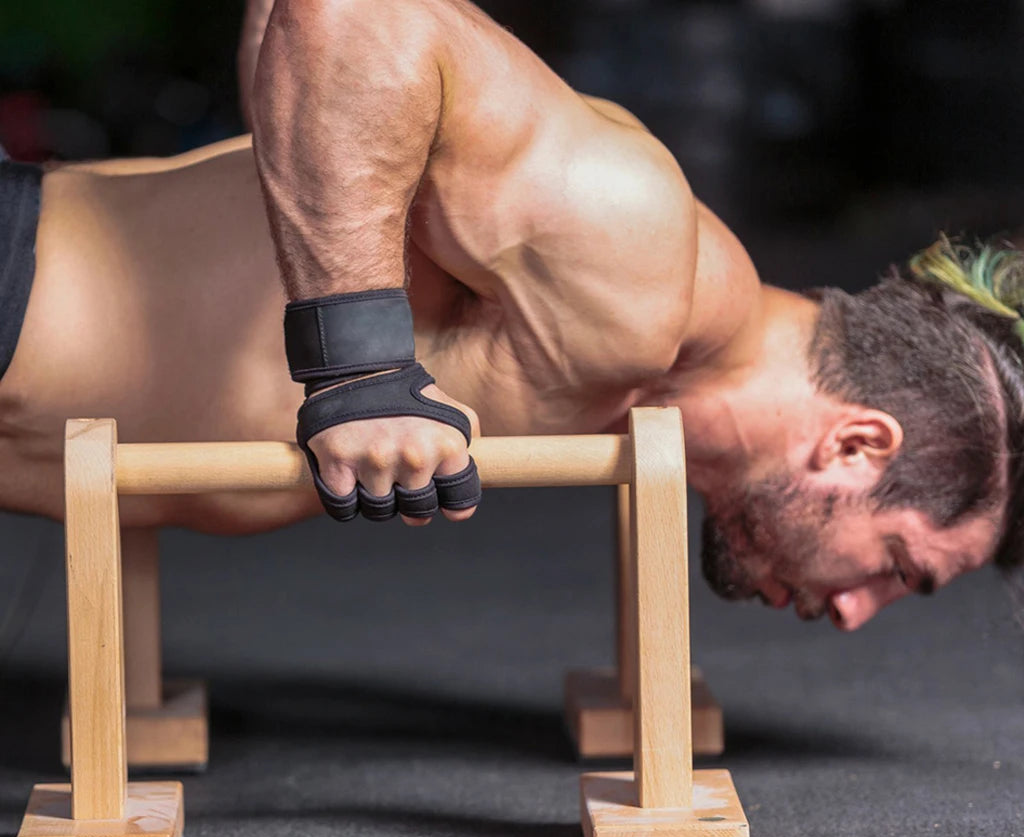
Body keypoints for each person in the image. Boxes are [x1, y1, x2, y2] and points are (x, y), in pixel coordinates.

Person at [0, 1, 1020, 633]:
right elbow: (347, 13)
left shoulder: (639, 372)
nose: (851, 613)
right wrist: (356, 365)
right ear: (853, 445)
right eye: (898, 569)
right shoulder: (641, 257)